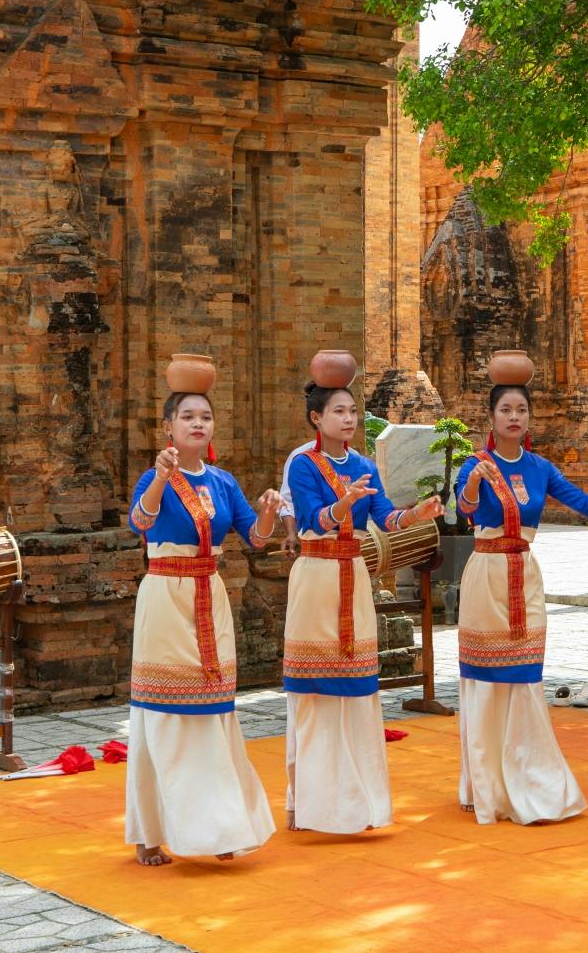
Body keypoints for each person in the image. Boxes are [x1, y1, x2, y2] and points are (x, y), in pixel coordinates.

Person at [451, 350, 588, 824]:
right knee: (484, 679)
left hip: (525, 573)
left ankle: (529, 775)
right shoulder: (475, 464)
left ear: (530, 416)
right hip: (485, 573)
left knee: (524, 677)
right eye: (506, 410)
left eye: (522, 410)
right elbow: (464, 509)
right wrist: (474, 485)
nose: (515, 417)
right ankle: (482, 782)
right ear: (491, 416)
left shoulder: (540, 467)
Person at [125, 362, 283, 864]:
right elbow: (140, 522)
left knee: (213, 711)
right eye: (188, 416)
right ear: (168, 427)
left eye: (206, 417)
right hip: (166, 597)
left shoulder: (222, 481)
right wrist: (161, 479)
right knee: (164, 712)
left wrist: (269, 513)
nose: (198, 423)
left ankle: (218, 826)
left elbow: (255, 540)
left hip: (208, 596)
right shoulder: (156, 476)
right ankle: (151, 832)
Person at [282, 351, 444, 833]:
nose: (349, 419)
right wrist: (344, 503)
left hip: (354, 577)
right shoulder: (303, 465)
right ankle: (306, 803)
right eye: (339, 411)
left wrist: (417, 515)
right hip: (316, 577)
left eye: (353, 411)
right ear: (317, 418)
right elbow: (312, 520)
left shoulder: (365, 464)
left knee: (356, 689)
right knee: (314, 691)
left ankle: (358, 802)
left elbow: (386, 519)